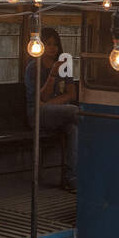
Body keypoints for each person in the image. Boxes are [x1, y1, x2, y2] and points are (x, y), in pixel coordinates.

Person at [24, 26, 79, 191]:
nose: (52, 48)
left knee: (74, 129)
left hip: (56, 113)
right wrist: (53, 75)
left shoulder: (64, 65)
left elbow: (72, 94)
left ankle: (72, 178)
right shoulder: (33, 67)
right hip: (37, 114)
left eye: (55, 44)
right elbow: (41, 98)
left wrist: (48, 105)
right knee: (76, 112)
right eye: (48, 44)